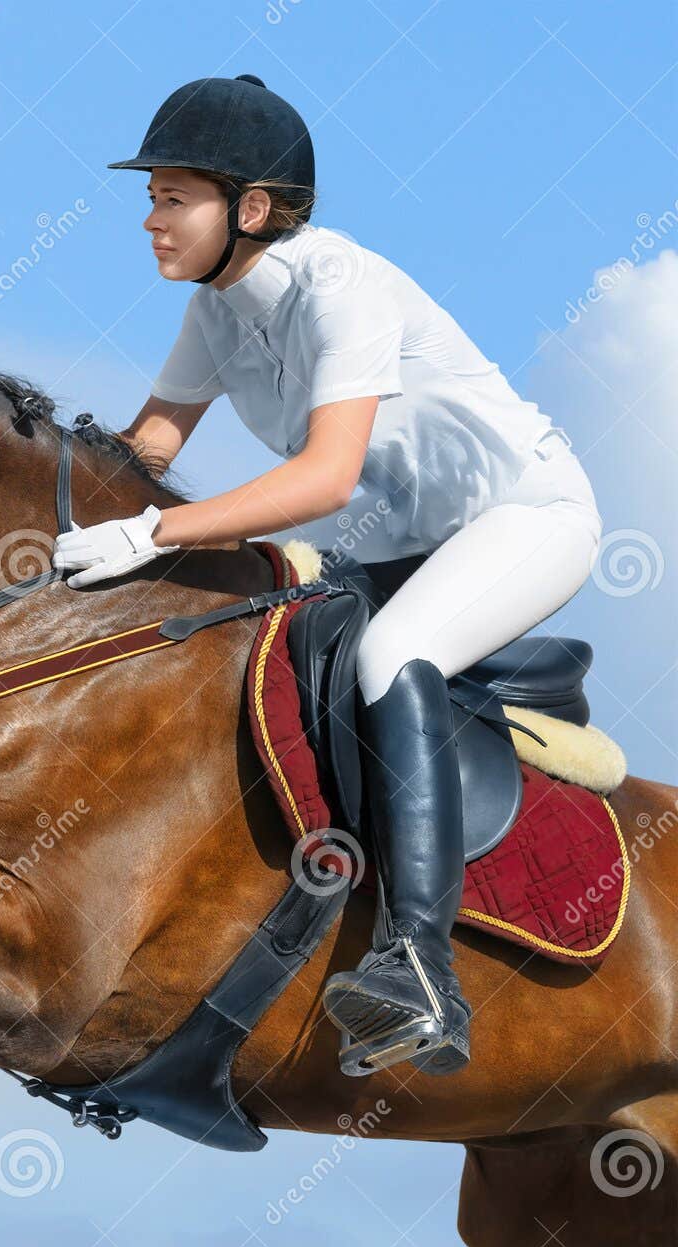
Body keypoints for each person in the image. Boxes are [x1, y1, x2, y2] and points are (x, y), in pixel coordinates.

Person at [54, 74, 603, 1076]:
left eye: (173, 198)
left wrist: (154, 532)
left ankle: (420, 968)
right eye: (152, 198)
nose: (149, 220)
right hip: (403, 545)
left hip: (525, 514)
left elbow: (323, 475)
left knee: (395, 648)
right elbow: (147, 448)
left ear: (250, 210)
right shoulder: (217, 311)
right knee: (254, 636)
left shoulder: (336, 285)